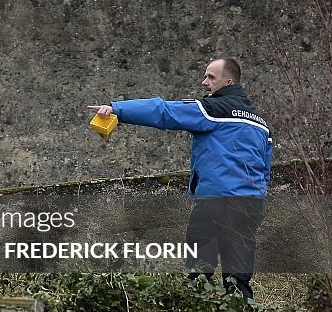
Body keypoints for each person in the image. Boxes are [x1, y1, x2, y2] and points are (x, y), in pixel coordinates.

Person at [89, 57, 272, 298]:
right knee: (238, 280)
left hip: (215, 203)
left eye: (210, 77)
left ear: (229, 81)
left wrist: (118, 110)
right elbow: (265, 169)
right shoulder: (261, 124)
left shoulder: (213, 110)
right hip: (250, 205)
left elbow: (164, 111)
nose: (204, 82)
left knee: (197, 275)